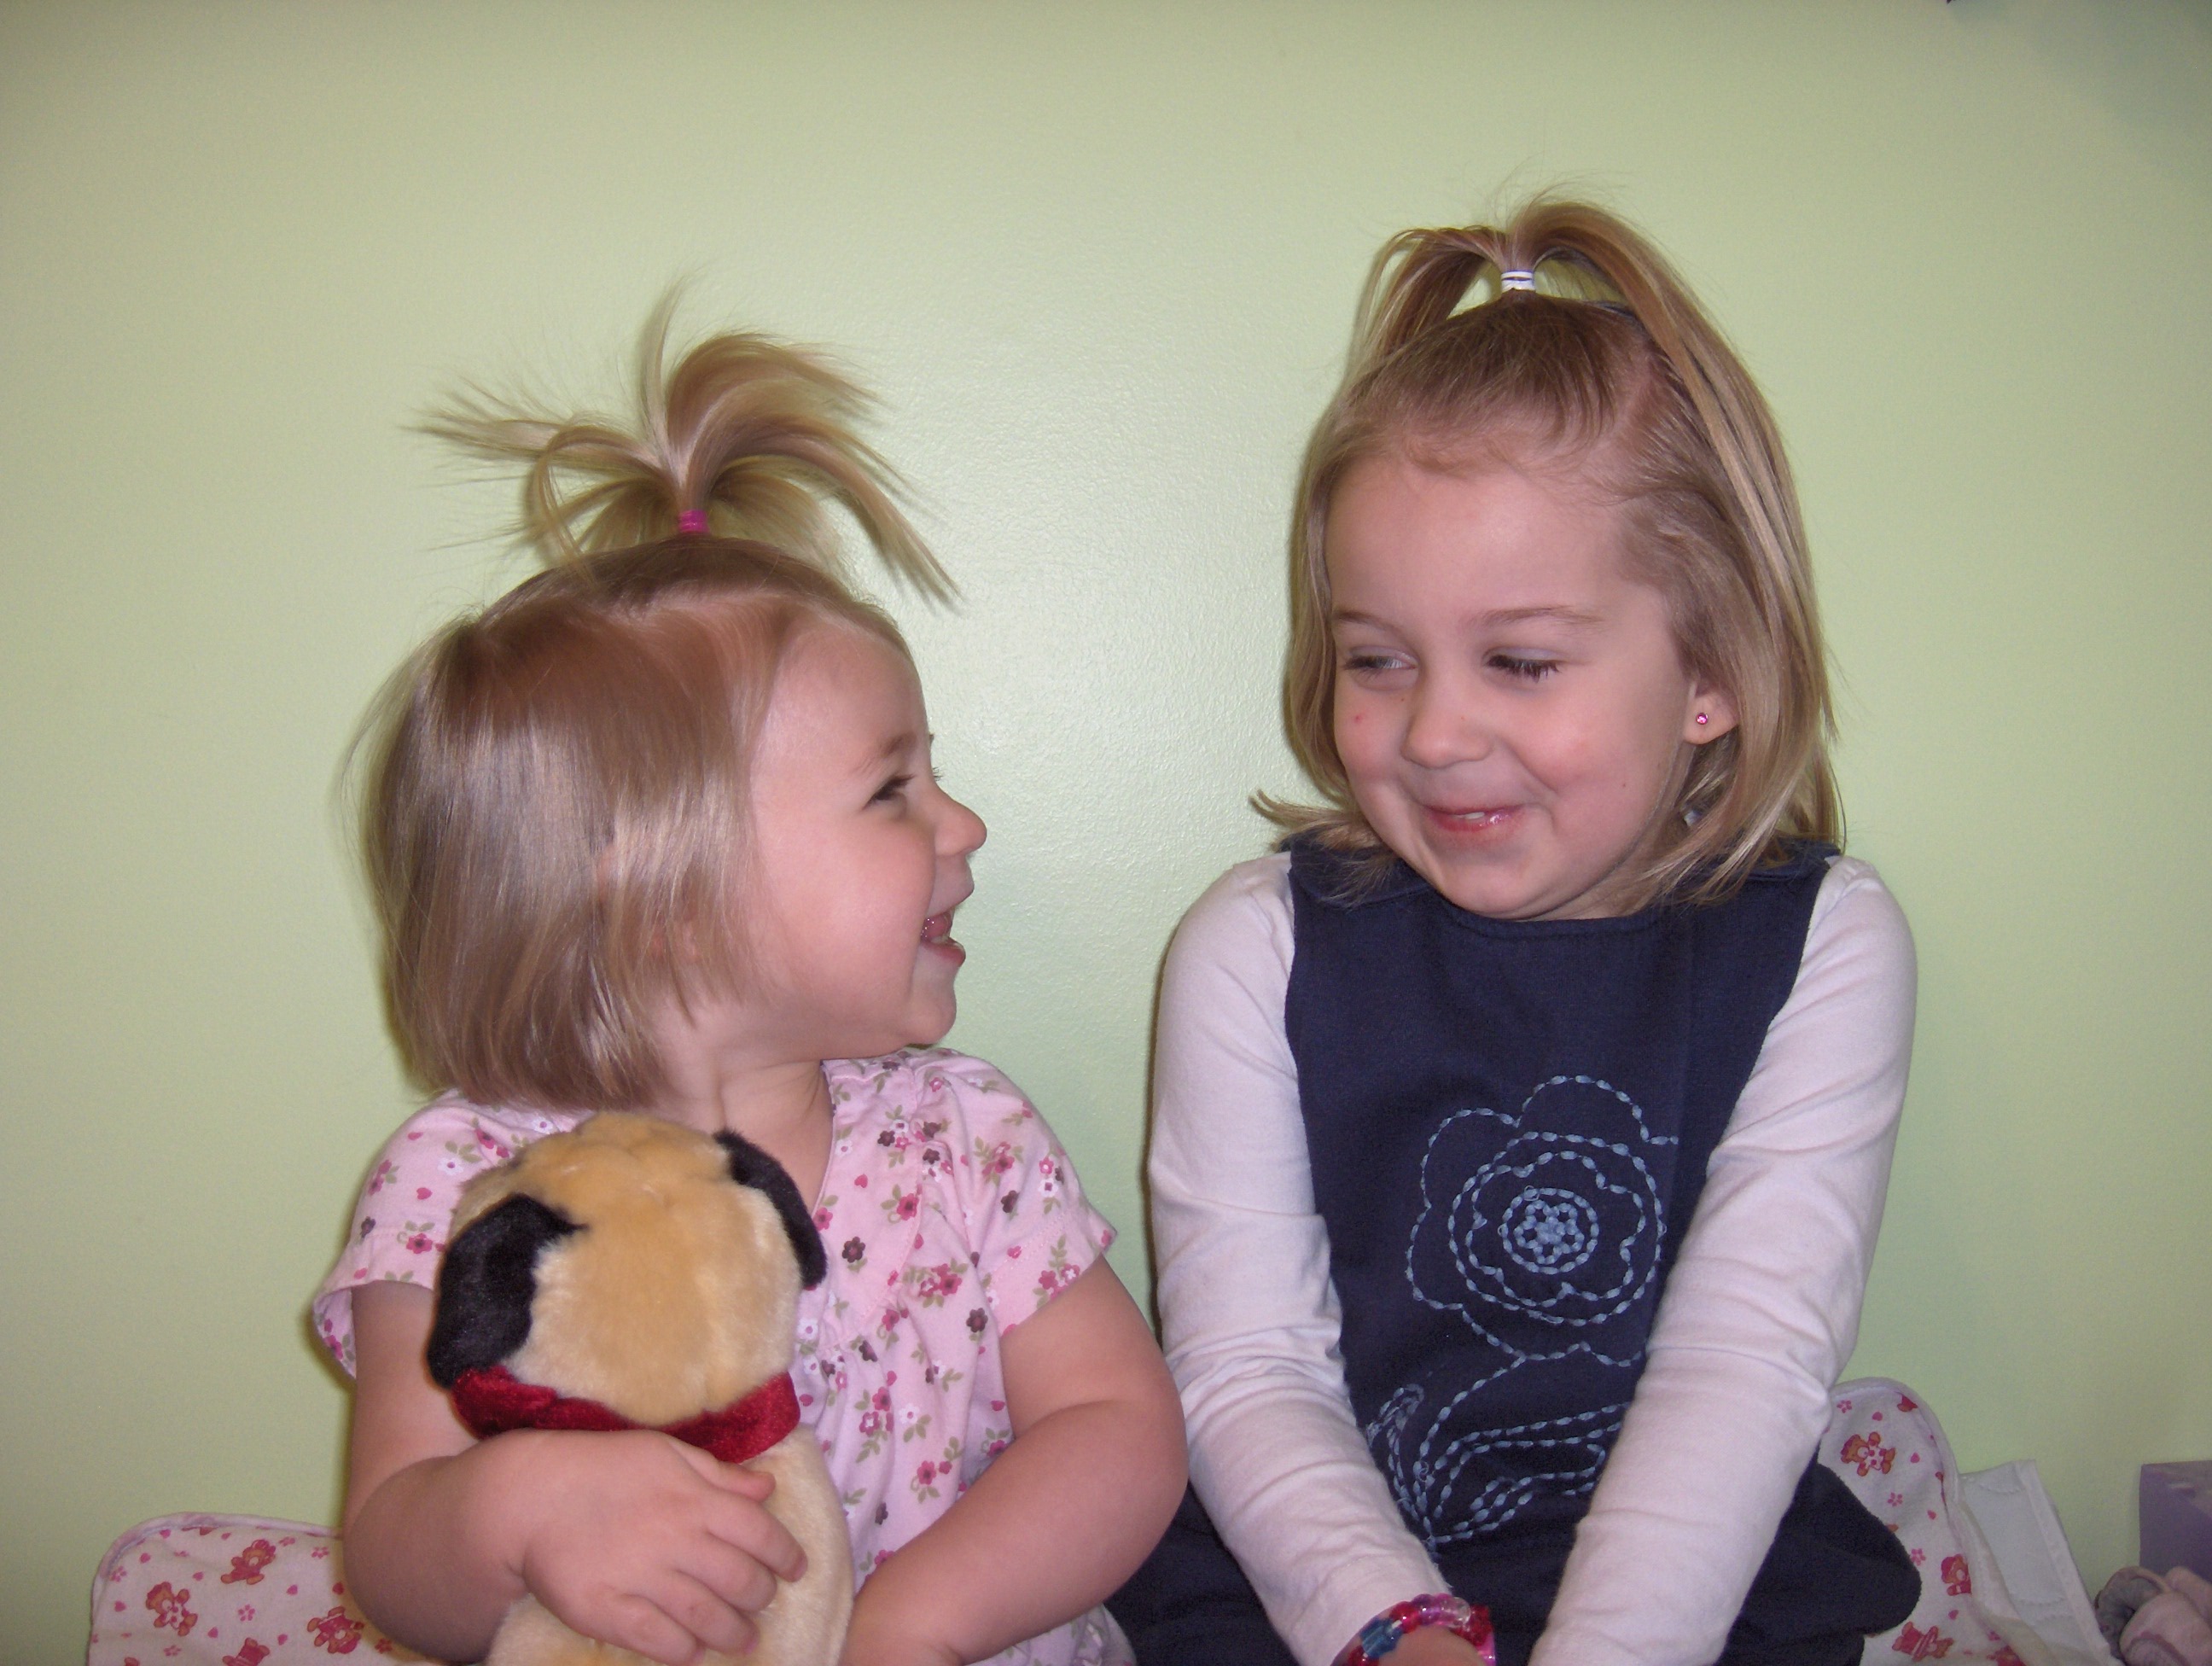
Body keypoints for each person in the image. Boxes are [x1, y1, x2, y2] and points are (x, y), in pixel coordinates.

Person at [1109, 201, 1921, 1666]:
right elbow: (1248, 1366)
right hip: (1322, 1568)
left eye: (1522, 661)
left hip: (1687, 1575)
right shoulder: (1254, 948)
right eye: (1378, 659)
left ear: (1715, 672)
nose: (1433, 732)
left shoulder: (1825, 945)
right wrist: (1394, 1628)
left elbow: (1746, 1363)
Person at [312, 311, 1185, 1666]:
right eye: (892, 789)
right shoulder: (460, 1186)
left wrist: (912, 1626)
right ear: (662, 894)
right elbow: (391, 1547)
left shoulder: (966, 1141)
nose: (963, 826)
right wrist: (511, 1508)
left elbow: (1118, 1430)